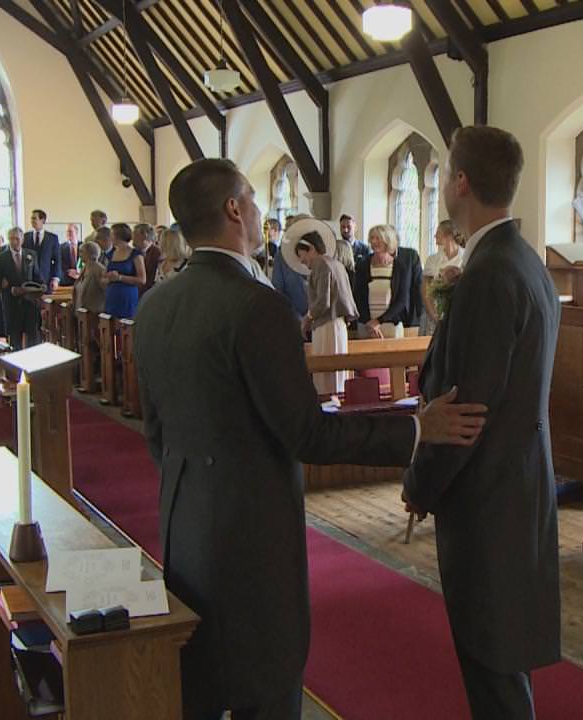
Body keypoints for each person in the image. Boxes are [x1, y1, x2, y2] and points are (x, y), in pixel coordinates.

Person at [133, 157, 487, 720]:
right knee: (267, 687)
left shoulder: (155, 306)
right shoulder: (255, 306)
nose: (259, 210)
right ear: (233, 209)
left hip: (184, 527)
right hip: (253, 537)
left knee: (200, 687)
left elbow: (156, 433)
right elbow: (309, 433)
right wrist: (418, 427)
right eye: (252, 199)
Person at [402, 126, 562, 719]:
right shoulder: (522, 261)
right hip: (518, 482)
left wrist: (420, 484)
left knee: (492, 666)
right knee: (503, 659)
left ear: (462, 182)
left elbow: (464, 411)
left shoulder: (491, 274)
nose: (445, 182)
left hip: (488, 496)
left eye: (447, 172)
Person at [296, 230, 358, 395]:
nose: (301, 261)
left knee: (327, 373)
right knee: (335, 374)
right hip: (337, 324)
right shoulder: (335, 263)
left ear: (311, 249)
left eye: (301, 255)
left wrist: (307, 318)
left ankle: (329, 403)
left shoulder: (321, 264)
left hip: (327, 324)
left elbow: (323, 301)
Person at [353, 224, 422, 339]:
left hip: (391, 324)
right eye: (372, 238)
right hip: (367, 325)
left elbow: (402, 300)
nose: (373, 241)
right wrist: (369, 322)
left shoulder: (400, 267)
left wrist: (379, 321)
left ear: (387, 240)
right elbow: (358, 297)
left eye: (378, 238)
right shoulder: (363, 265)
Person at [0, 226, 41, 349]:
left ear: (22, 239)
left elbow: (37, 277)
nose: (14, 242)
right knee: (14, 340)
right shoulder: (1, 258)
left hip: (29, 303)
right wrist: (4, 286)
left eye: (17, 239)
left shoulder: (31, 255)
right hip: (12, 304)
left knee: (33, 338)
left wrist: (42, 287)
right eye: (12, 239)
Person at [420, 219, 466, 336]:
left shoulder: (466, 256)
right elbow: (426, 290)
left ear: (449, 236)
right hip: (435, 313)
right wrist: (434, 315)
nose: (435, 236)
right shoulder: (432, 260)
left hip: (458, 312)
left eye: (438, 232)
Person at [102, 222, 146, 318]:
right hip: (111, 294)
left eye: (111, 234)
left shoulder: (135, 254)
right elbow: (104, 276)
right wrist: (107, 278)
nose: (110, 238)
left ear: (118, 236)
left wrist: (120, 277)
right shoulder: (110, 254)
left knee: (126, 323)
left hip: (127, 295)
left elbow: (142, 280)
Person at [271, 218, 310, 318]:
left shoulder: (318, 255)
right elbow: (278, 290)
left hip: (318, 318)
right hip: (293, 316)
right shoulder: (281, 257)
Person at [23, 208, 62, 291]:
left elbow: (57, 260)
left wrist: (55, 279)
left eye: (34, 218)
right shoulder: (25, 237)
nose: (32, 221)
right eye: (31, 218)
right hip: (29, 281)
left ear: (43, 220)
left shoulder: (52, 238)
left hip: (46, 280)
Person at [73, 241, 106, 315]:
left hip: (93, 312)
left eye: (82, 252)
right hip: (81, 312)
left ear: (90, 254)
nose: (79, 254)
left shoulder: (99, 269)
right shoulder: (84, 268)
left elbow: (105, 290)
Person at [133, 223, 161, 294]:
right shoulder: (134, 253)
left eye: (135, 234)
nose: (133, 238)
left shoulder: (157, 253)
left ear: (144, 236)